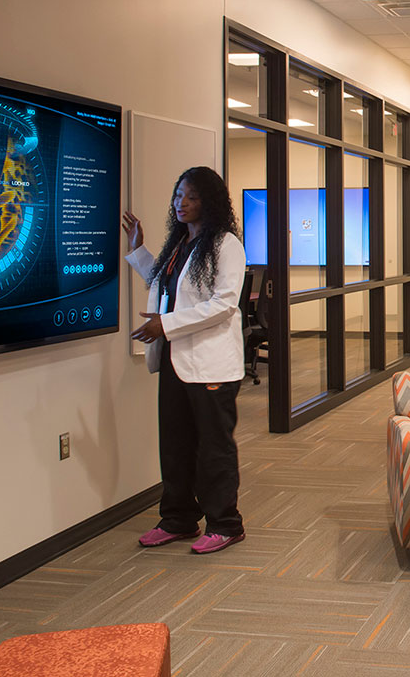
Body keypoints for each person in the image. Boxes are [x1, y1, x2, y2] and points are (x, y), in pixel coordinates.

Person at [122, 166, 247, 555]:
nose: (182, 203)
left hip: (210, 365)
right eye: (178, 195)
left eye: (191, 197)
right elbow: (167, 289)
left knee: (214, 448)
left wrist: (166, 325)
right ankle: (178, 518)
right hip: (176, 362)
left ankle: (225, 523)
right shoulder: (179, 244)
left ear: (208, 201)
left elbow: (224, 304)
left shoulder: (226, 245)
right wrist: (138, 249)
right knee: (175, 445)